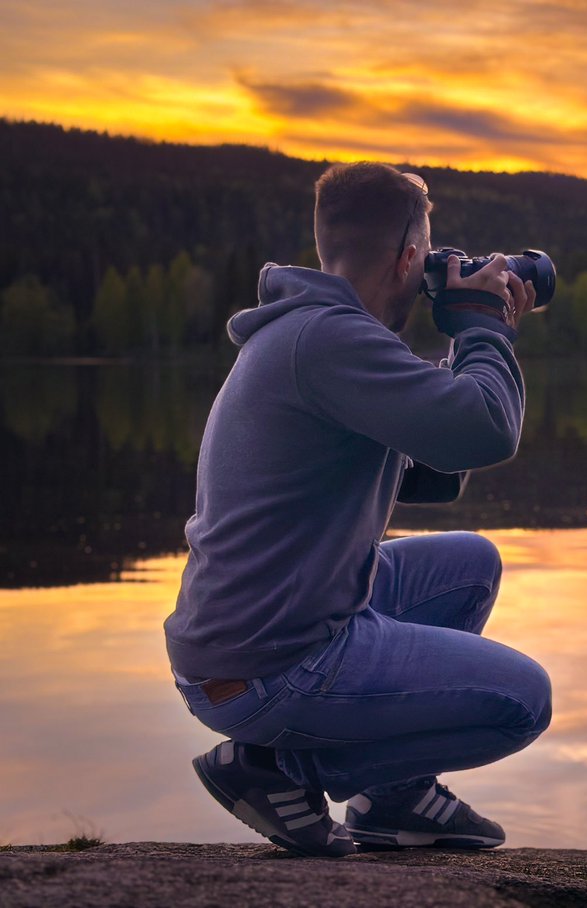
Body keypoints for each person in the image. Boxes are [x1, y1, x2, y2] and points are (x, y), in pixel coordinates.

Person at [163, 162, 552, 858]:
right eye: (428, 253)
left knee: (470, 564)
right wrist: (481, 328)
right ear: (409, 256)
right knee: (523, 700)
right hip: (269, 664)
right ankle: (274, 768)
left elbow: (435, 474)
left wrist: (454, 365)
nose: (431, 266)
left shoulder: (316, 335)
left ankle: (394, 796)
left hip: (257, 633)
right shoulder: (328, 340)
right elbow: (488, 429)